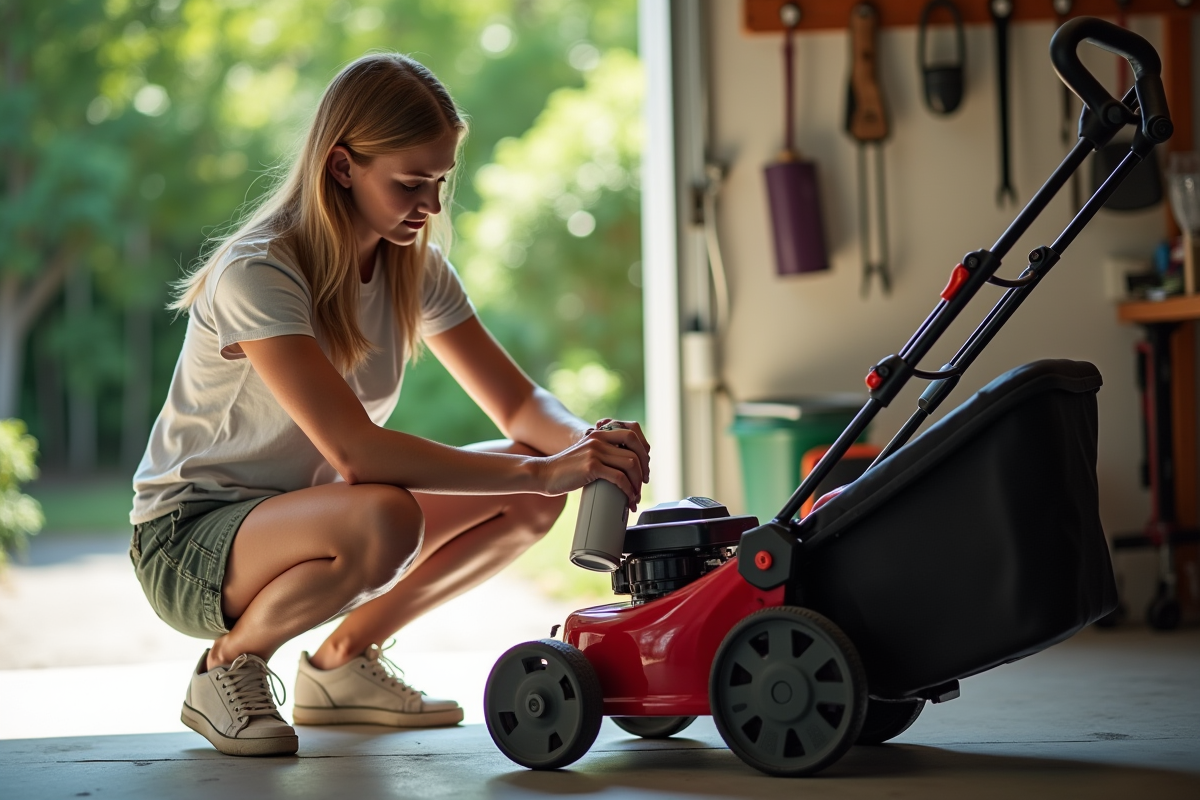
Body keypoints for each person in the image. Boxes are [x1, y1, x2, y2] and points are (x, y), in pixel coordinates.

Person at [129, 53, 649, 757]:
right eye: (410, 183)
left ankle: (343, 660)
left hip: (309, 515)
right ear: (342, 166)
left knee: (528, 498)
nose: (431, 205)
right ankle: (228, 666)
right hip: (189, 540)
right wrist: (546, 468)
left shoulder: (416, 268)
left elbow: (519, 401)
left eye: (439, 181)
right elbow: (356, 452)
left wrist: (590, 444)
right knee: (392, 513)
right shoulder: (259, 271)